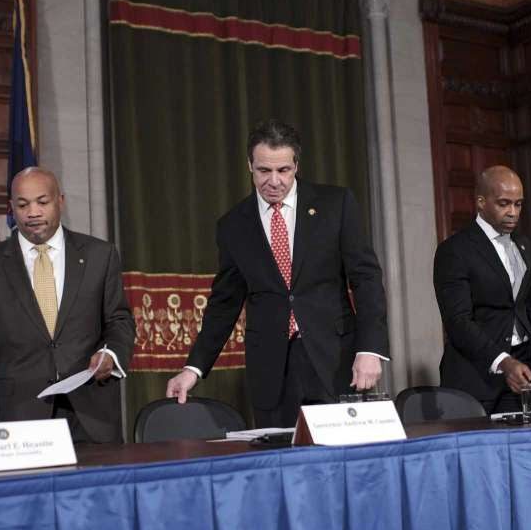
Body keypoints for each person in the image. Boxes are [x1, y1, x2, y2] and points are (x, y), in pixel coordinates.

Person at [165, 119, 390, 428]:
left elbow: (366, 279)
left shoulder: (335, 204)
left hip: (334, 360)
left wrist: (371, 348)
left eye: (283, 170)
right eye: (263, 171)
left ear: (296, 165)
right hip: (272, 372)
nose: (274, 181)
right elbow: (224, 304)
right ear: (249, 166)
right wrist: (194, 368)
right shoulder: (233, 225)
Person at [0, 167, 135, 442]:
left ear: (60, 201)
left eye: (42, 202)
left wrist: (112, 355)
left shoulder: (99, 255)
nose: (33, 212)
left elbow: (119, 320)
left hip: (91, 412)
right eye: (23, 205)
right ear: (11, 208)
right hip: (21, 414)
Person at [433, 165, 531, 414]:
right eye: (504, 203)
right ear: (481, 202)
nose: (513, 212)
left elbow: (529, 305)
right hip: (476, 378)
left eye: (518, 204)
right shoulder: (455, 250)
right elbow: (458, 321)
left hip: (522, 374)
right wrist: (504, 362)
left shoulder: (524, 245)